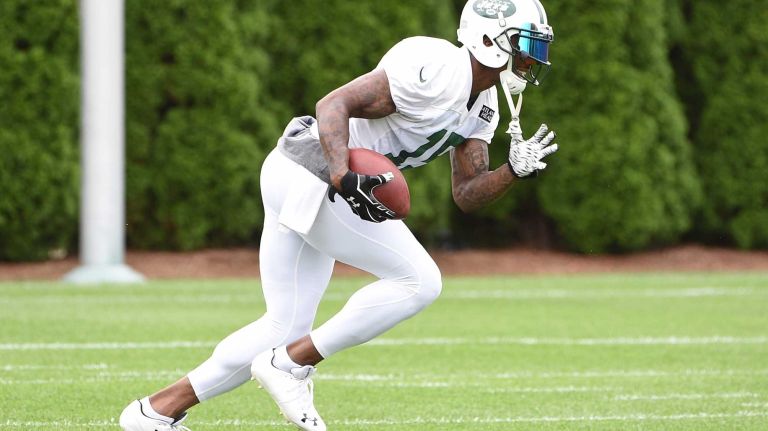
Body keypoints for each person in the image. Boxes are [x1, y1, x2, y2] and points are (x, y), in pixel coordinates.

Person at [119, 0, 556, 429]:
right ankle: (292, 365)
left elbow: (466, 193)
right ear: (487, 38)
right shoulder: (437, 65)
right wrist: (344, 176)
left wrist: (512, 172)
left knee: (282, 326)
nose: (530, 57)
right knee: (420, 282)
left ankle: (153, 412)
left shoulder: (484, 105)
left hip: (298, 173)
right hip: (316, 172)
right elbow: (333, 105)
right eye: (525, 43)